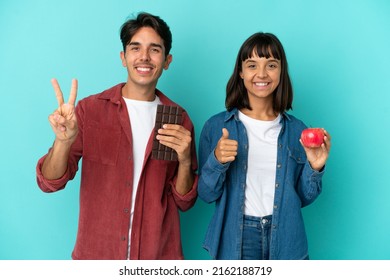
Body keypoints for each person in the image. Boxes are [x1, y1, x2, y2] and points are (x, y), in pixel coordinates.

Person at [36, 12, 198, 260]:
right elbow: (50, 182)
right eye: (135, 48)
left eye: (155, 50)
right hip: (97, 257)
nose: (144, 57)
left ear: (167, 61)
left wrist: (185, 160)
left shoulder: (178, 118)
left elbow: (184, 201)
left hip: (158, 257)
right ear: (123, 57)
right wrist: (63, 142)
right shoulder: (90, 110)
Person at [198, 32, 331, 260]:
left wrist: (315, 168)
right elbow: (206, 194)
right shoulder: (216, 126)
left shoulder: (297, 131)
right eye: (252, 65)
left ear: (281, 72)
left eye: (271, 65)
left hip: (286, 237)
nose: (261, 74)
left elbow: (304, 198)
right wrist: (217, 162)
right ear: (240, 72)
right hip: (237, 238)